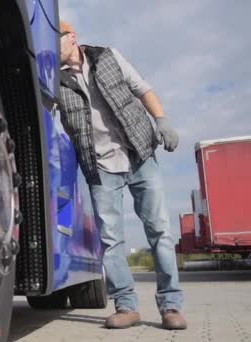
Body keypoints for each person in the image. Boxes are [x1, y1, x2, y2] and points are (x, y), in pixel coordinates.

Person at [57, 21, 187, 330]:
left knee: (159, 231)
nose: (50, 48)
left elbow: (143, 89)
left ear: (72, 37)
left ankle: (171, 306)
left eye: (55, 40)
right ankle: (126, 307)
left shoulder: (109, 57)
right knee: (110, 240)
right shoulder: (53, 79)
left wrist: (162, 121)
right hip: (100, 166)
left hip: (139, 154)